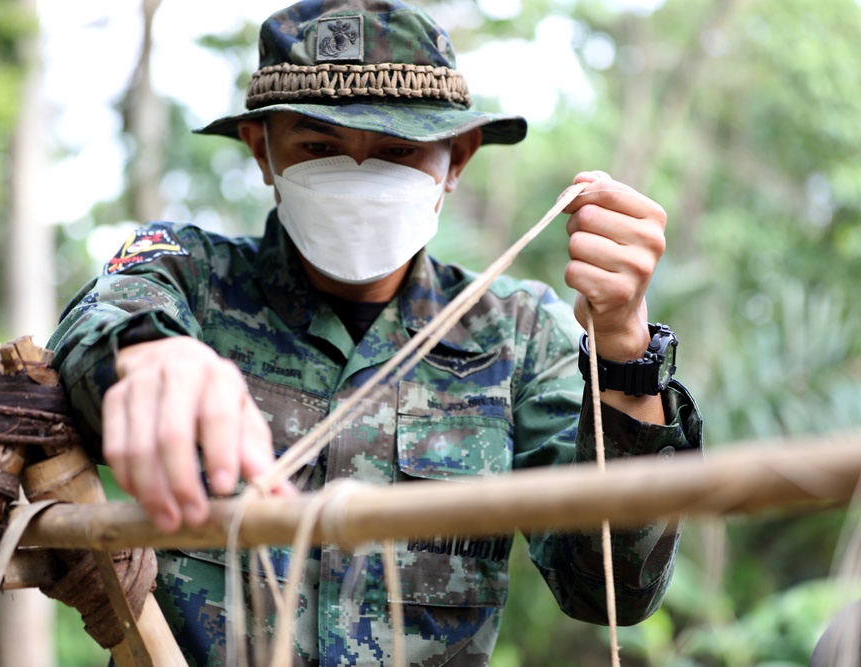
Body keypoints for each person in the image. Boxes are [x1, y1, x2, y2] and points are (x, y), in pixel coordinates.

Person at [49, 0, 703, 664]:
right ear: (263, 149)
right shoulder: (191, 278)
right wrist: (150, 355)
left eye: (397, 150)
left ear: (457, 159)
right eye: (320, 146)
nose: (358, 173)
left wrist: (625, 347)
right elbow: (91, 331)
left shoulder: (519, 333)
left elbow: (615, 589)